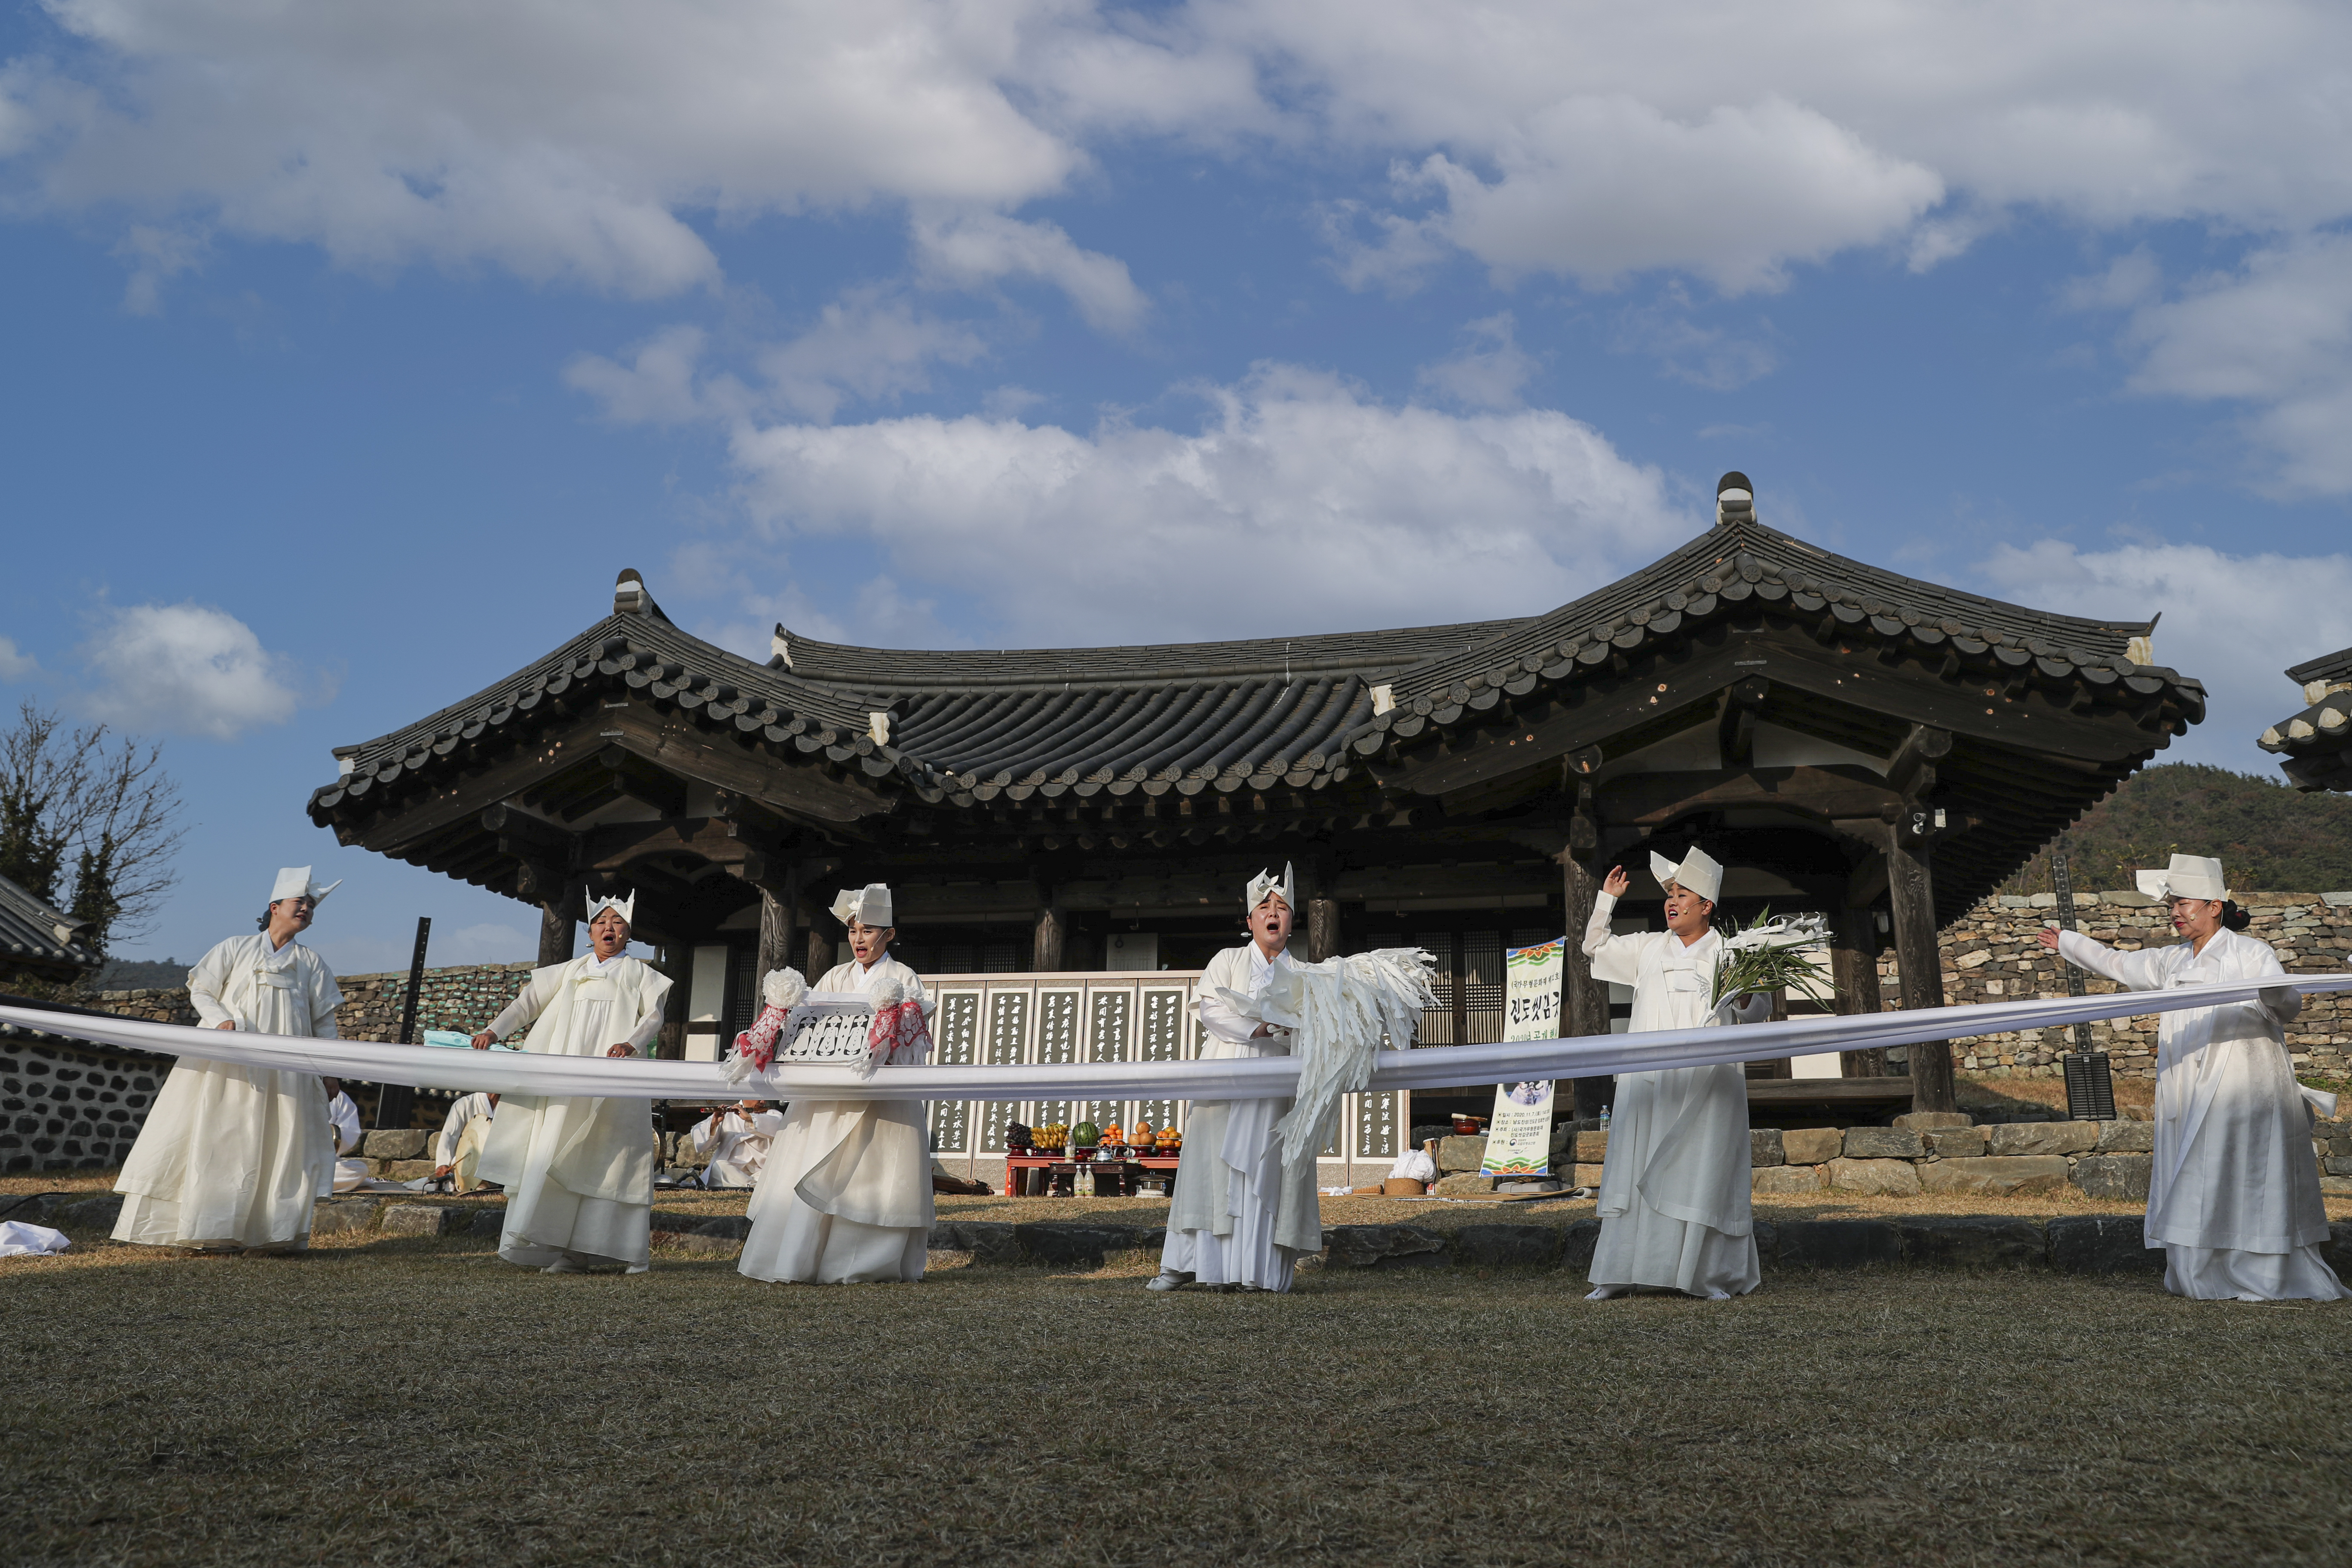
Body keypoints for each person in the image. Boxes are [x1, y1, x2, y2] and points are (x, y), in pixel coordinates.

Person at [2040, 853, 2348, 1302]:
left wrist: (2275, 990)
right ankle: (2199, 1271)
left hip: (2243, 1085)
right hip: (2188, 1084)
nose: (2176, 914)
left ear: (2214, 906)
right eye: (2172, 906)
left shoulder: (2252, 954)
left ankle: (2261, 1272)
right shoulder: (2172, 962)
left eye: (2184, 904)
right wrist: (2069, 941)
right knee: (2194, 1171)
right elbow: (2120, 964)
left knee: (2244, 1171)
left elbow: (2287, 1007)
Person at [113, 867, 345, 1255]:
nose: (305, 908)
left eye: (310, 905)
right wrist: (221, 1018)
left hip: (286, 1072)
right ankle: (210, 1232)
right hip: (228, 1063)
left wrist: (331, 1070)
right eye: (298, 901)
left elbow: (324, 1020)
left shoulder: (311, 963)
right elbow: (201, 989)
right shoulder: (234, 947)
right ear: (274, 907)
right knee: (220, 1138)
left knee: (281, 1142)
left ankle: (271, 1235)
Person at [1579, 848, 1765, 1302]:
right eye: (1669, 895)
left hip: (1708, 1080)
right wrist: (1607, 900)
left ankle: (1705, 1275)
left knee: (1705, 1164)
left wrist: (1743, 999)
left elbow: (1758, 1011)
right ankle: (1620, 1271)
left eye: (1684, 895)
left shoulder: (1731, 950)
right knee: (1637, 1160)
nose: (1673, 901)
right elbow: (1595, 949)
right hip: (1650, 1078)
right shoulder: (1647, 947)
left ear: (1707, 907)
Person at [738, 883, 935, 1285]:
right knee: (812, 1164)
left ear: (889, 935)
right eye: (852, 930)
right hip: (828, 1093)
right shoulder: (834, 976)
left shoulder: (904, 977)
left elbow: (912, 1034)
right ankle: (799, 1260)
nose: (858, 939)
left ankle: (864, 1264)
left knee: (871, 1173)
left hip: (880, 1096)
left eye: (867, 930)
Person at [469, 890, 670, 1274]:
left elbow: (654, 1017)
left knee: (609, 1154)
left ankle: (628, 1252)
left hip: (611, 1079)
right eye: (601, 922)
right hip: (564, 1078)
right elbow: (527, 1004)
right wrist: (494, 1031)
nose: (608, 928)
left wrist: (632, 1043)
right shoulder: (569, 970)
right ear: (590, 932)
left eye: (617, 922)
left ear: (629, 932)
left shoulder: (641, 974)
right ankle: (565, 1249)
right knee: (556, 1149)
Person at [1147, 864, 1322, 1294]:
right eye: (1265, 906)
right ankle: (1186, 1265)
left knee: (1265, 1170)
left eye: (1282, 907)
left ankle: (1258, 1273)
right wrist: (1259, 1027)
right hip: (1227, 1070)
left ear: (1291, 921)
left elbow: (1315, 1027)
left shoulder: (1304, 974)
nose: (1273, 913)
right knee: (1210, 1168)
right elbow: (1211, 1010)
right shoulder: (1226, 960)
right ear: (1250, 921)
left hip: (1275, 1081)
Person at [690, 1100, 785, 1188]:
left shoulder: (771, 1115)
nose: (763, 1102)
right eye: (759, 1099)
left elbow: (778, 1123)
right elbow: (699, 1136)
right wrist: (714, 1124)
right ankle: (754, 1187)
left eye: (764, 1099)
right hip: (733, 1171)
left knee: (776, 1175)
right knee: (718, 1167)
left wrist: (750, 1118)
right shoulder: (728, 1115)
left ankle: (751, 1186)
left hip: (760, 1170)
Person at [431, 1090, 499, 1193]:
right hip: (469, 1164)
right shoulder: (465, 1104)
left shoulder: (512, 1106)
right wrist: (443, 1163)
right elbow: (449, 1135)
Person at [321, 1078, 369, 1194]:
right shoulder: (284, 1091)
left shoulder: (338, 1097)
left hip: (319, 1162)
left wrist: (323, 1134)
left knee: (357, 1170)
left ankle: (301, 1185)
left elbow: (348, 1133)